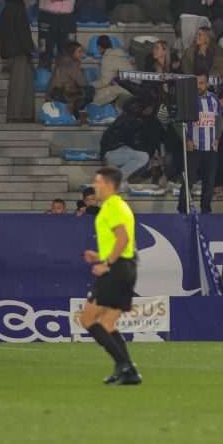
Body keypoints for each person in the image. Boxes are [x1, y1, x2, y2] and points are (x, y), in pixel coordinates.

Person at [77, 165, 143, 386]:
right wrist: (100, 255)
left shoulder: (111, 206)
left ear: (108, 184)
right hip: (127, 266)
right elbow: (126, 242)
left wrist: (106, 264)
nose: (94, 186)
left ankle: (124, 364)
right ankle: (129, 372)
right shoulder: (121, 205)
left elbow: (123, 238)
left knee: (88, 319)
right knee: (107, 322)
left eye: (97, 182)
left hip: (117, 269)